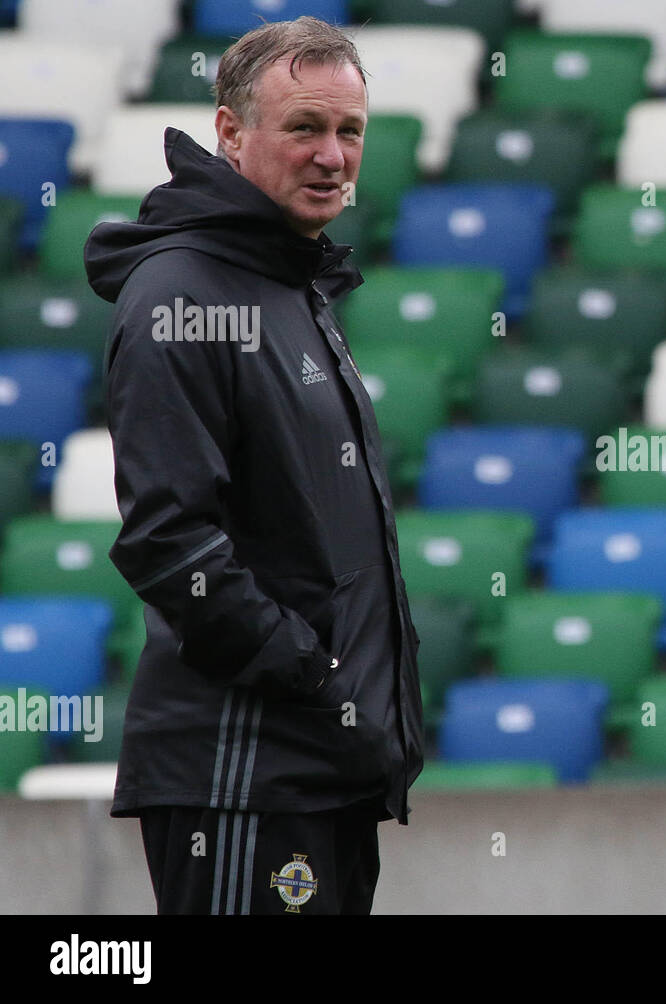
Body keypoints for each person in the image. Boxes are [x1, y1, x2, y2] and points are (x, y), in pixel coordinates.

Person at [84, 17, 423, 915]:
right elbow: (170, 541)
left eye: (349, 132)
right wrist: (310, 675)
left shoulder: (287, 285)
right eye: (303, 127)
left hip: (320, 770)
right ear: (230, 134)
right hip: (244, 769)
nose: (332, 156)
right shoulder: (185, 294)